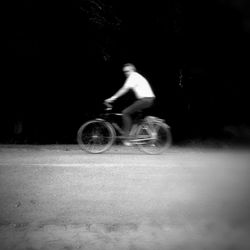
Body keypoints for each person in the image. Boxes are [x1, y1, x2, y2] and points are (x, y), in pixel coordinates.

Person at [105, 63, 155, 146]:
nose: (126, 73)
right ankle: (136, 134)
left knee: (125, 112)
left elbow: (124, 89)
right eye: (124, 72)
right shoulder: (136, 76)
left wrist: (112, 98)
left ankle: (126, 138)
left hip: (146, 99)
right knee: (134, 115)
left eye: (127, 71)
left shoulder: (133, 76)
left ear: (133, 70)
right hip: (147, 99)